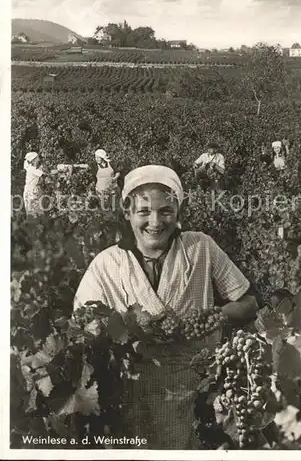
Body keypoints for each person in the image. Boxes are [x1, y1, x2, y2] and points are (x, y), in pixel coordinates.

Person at [73, 165, 258, 449]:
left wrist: (216, 315)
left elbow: (249, 303)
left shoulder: (200, 248)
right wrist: (126, 327)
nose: (155, 222)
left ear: (178, 212)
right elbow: (82, 329)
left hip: (196, 392)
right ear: (128, 213)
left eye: (166, 211)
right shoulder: (106, 264)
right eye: (144, 211)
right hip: (131, 397)